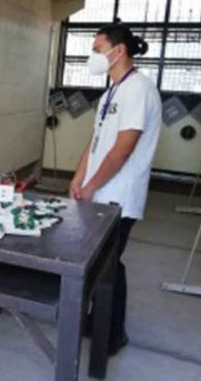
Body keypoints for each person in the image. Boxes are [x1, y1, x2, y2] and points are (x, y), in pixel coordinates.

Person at [70, 23, 162, 355]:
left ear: (118, 51)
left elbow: (122, 149)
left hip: (118, 195)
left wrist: (93, 185)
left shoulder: (139, 90)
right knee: (97, 263)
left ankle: (112, 332)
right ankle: (97, 320)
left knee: (109, 265)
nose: (93, 56)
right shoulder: (113, 91)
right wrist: (79, 177)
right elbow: (96, 140)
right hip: (99, 192)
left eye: (97, 49)